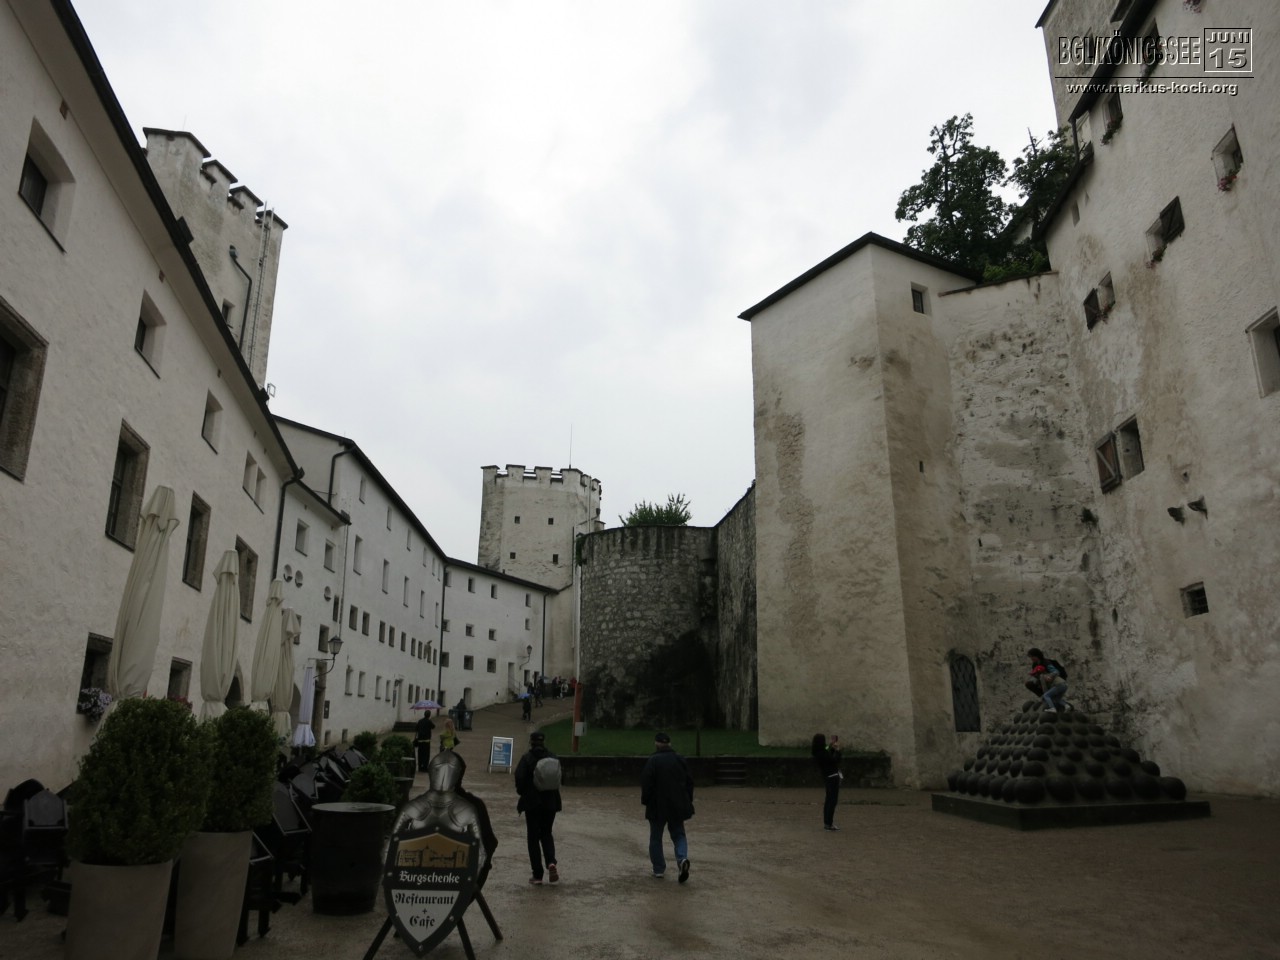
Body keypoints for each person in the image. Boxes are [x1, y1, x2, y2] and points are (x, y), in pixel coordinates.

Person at [640, 732, 694, 882]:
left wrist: (646, 801)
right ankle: (682, 859)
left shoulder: (653, 761)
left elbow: (646, 783)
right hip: (677, 804)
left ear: (656, 744)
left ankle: (659, 869)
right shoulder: (680, 759)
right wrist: (687, 800)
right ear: (669, 744)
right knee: (679, 834)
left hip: (657, 805)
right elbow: (689, 782)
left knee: (656, 837)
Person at [514, 731, 562, 885]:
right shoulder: (553, 757)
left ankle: (537, 874)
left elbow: (519, 778)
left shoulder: (527, 758)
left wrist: (524, 793)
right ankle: (551, 862)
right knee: (547, 833)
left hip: (532, 803)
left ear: (531, 742)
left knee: (533, 838)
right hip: (551, 802)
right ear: (543, 742)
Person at [811, 733, 842, 831]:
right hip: (832, 777)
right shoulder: (822, 753)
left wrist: (831, 746)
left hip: (827, 777)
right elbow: (835, 760)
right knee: (832, 801)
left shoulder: (818, 751)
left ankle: (827, 823)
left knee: (828, 800)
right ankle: (829, 824)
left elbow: (827, 751)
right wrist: (838, 750)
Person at [1026, 647, 1069, 712]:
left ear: (1037, 655)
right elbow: (1036, 676)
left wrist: (1050, 676)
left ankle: (1052, 706)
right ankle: (1065, 705)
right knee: (1029, 684)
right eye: (1030, 657)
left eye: (1032, 656)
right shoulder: (1034, 665)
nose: (1031, 658)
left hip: (1053, 682)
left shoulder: (1046, 662)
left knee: (1047, 695)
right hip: (1044, 681)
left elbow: (1056, 671)